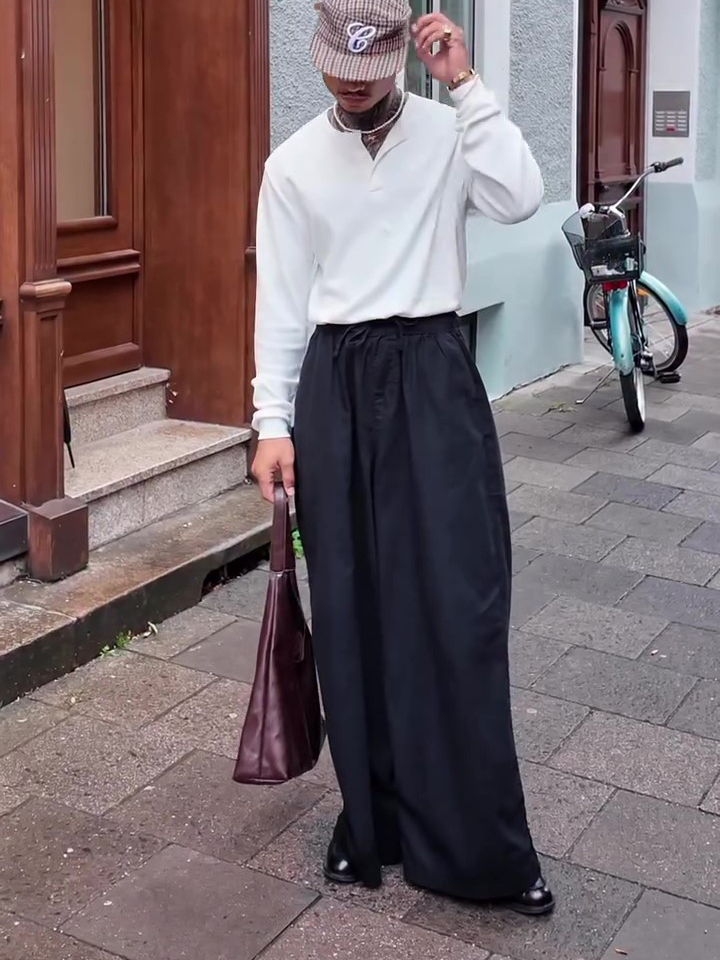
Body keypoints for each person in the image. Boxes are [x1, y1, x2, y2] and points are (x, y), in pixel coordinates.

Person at [251, 0, 554, 915]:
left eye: (369, 66)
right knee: (351, 607)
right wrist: (271, 422)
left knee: (460, 602)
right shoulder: (292, 163)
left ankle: (481, 846)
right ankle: (370, 823)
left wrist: (468, 85)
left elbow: (520, 198)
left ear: (400, 57)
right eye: (338, 67)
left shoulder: (449, 130)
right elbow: (282, 300)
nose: (352, 83)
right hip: (335, 385)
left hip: (431, 372)